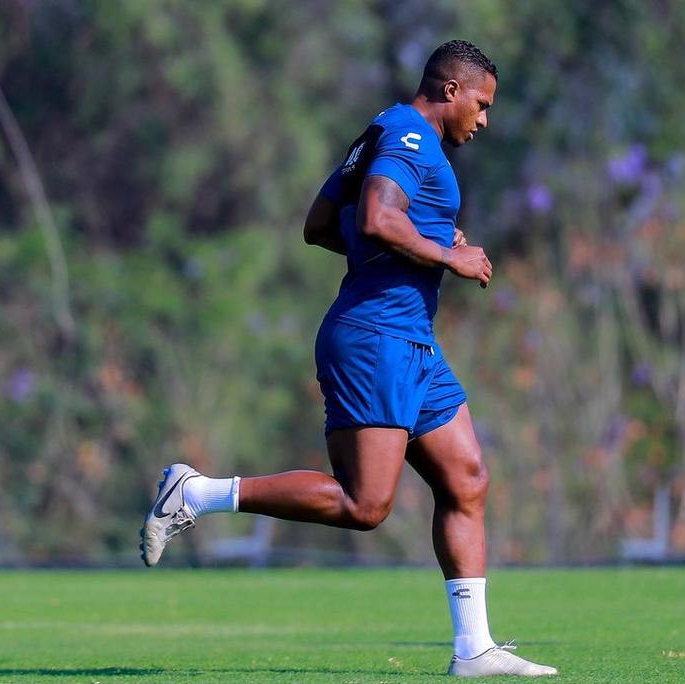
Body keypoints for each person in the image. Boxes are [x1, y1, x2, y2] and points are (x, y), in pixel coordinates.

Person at [140, 39, 556, 678]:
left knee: (467, 478)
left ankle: (475, 649)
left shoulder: (383, 132)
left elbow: (321, 223)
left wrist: (425, 239)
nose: (485, 118)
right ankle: (198, 491)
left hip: (411, 340)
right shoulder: (411, 136)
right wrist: (448, 254)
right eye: (482, 103)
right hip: (375, 338)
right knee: (366, 505)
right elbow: (378, 217)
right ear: (451, 90)